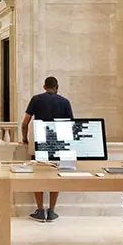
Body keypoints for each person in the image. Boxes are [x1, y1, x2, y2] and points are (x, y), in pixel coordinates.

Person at [22, 76, 74, 223]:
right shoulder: (65, 102)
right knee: (56, 174)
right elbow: (71, 125)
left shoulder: (36, 99)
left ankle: (40, 210)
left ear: (44, 87)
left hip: (40, 141)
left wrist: (25, 139)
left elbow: (25, 122)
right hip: (58, 143)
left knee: (37, 175)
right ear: (57, 87)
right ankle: (51, 211)